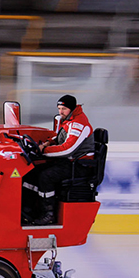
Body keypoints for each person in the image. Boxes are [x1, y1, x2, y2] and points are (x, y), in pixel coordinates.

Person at [24, 94, 95, 225]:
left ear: (72, 109)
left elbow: (68, 149)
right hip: (68, 162)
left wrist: (43, 151)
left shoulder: (79, 124)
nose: (60, 112)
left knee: (46, 176)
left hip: (78, 166)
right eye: (59, 108)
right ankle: (29, 209)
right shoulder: (69, 120)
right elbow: (59, 138)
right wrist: (46, 144)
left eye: (64, 109)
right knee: (31, 172)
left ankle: (48, 214)